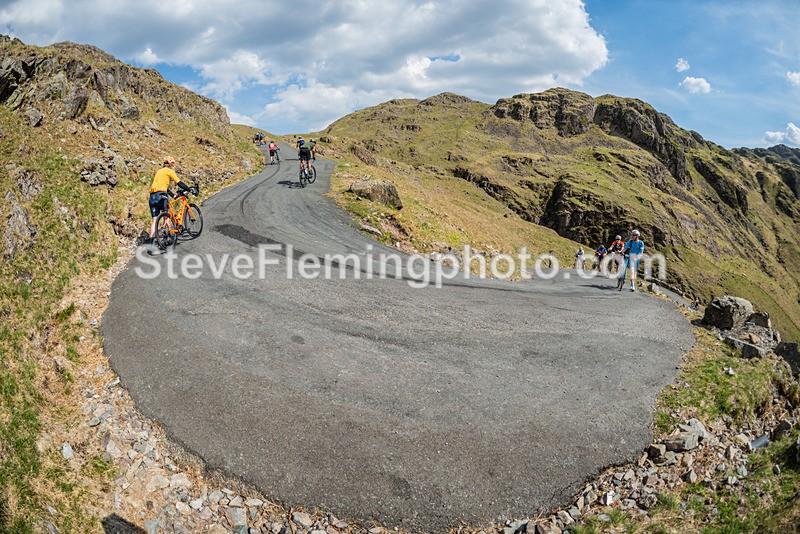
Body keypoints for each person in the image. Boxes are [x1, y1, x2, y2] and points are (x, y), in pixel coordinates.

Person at [148, 157, 190, 239]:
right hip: (162, 195)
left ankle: (151, 243)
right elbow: (179, 182)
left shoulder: (159, 171)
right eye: (172, 164)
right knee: (167, 216)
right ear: (170, 164)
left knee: (154, 220)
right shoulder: (169, 171)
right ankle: (168, 237)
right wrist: (189, 189)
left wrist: (173, 195)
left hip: (152, 196)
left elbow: (162, 186)